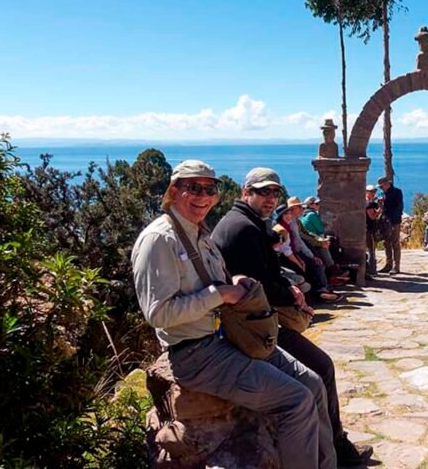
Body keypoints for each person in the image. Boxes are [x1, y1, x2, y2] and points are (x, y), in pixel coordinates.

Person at [131, 160, 335, 468]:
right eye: (193, 188)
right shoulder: (161, 239)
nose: (203, 196)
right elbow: (158, 313)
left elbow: (208, 283)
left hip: (228, 338)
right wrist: (219, 294)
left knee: (313, 383)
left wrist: (232, 283)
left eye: (209, 189)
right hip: (197, 353)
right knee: (296, 401)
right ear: (174, 191)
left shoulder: (198, 233)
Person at [212, 167, 371, 467]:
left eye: (275, 192)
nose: (271, 198)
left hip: (254, 320)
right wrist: (292, 297)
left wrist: (288, 288)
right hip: (252, 327)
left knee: (319, 367)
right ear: (246, 192)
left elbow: (267, 275)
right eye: (263, 192)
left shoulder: (247, 223)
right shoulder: (243, 229)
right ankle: (337, 449)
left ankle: (335, 445)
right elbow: (258, 287)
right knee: (321, 368)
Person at [377, 176, 403, 275]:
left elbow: (397, 205)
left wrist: (385, 201)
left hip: (394, 220)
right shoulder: (382, 193)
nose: (381, 188)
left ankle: (396, 266)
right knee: (386, 243)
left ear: (387, 184)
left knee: (395, 243)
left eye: (381, 186)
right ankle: (388, 264)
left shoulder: (397, 192)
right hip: (385, 221)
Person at [365, 200, 380, 277]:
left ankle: (371, 269)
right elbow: (372, 217)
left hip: (369, 229)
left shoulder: (371, 203)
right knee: (371, 250)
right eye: (371, 191)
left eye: (374, 191)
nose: (373, 193)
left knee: (371, 250)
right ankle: (372, 270)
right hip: (369, 230)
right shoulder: (369, 204)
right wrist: (380, 210)